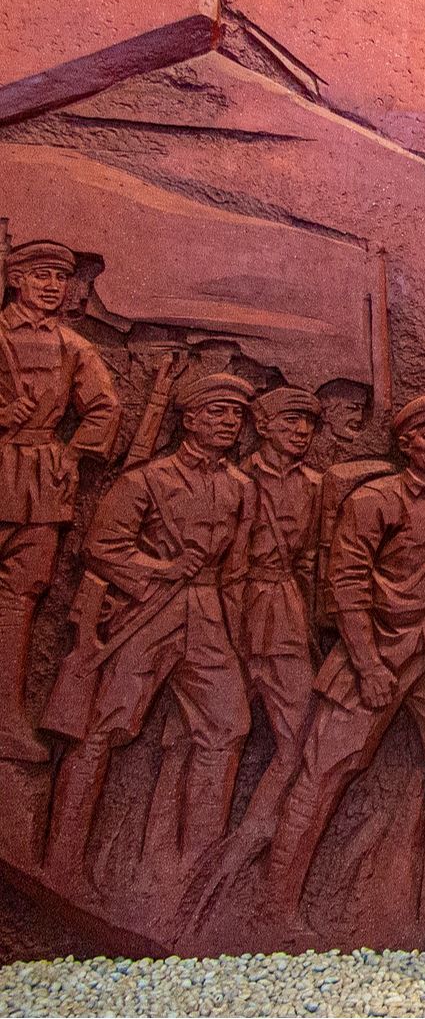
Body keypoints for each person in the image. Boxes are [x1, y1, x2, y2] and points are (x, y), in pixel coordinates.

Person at [264, 394, 425, 924]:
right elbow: (347, 585)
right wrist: (367, 664)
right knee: (325, 766)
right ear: (405, 443)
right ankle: (276, 908)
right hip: (374, 644)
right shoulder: (374, 501)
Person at [41, 374, 254, 885]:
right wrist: (161, 568)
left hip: (207, 619)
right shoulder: (147, 480)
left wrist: (239, 632)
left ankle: (193, 874)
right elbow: (100, 546)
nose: (230, 422)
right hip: (148, 614)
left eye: (236, 414)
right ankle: (62, 861)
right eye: (218, 412)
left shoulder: (240, 487)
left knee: (228, 727)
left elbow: (237, 570)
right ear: (189, 419)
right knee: (103, 727)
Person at [0, 239, 121, 762]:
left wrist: (71, 454)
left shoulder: (73, 347)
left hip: (40, 485)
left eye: (60, 277)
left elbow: (104, 408)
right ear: (15, 280)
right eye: (40, 275)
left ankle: (7, 720)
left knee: (19, 602)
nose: (52, 286)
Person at [229, 386, 324, 831]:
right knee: (215, 735)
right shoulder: (236, 480)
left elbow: (309, 561)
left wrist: (309, 622)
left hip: (285, 613)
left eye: (309, 424)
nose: (302, 431)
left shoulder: (315, 486)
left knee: (301, 734)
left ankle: (253, 834)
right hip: (232, 610)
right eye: (291, 421)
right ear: (263, 426)